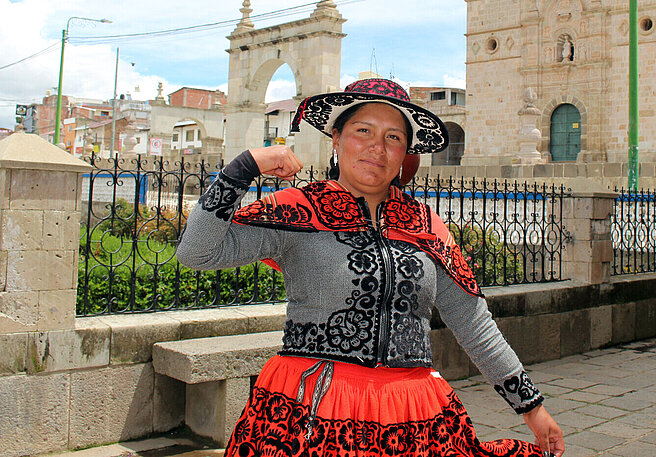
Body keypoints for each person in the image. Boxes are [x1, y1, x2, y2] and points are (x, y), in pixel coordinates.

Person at [176, 78, 565, 457]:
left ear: (404, 154)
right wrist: (244, 167)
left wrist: (532, 408)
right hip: (311, 409)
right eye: (363, 130)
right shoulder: (297, 207)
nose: (377, 147)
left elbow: (473, 322)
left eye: (393, 137)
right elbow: (197, 252)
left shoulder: (427, 225)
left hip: (413, 416)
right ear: (336, 139)